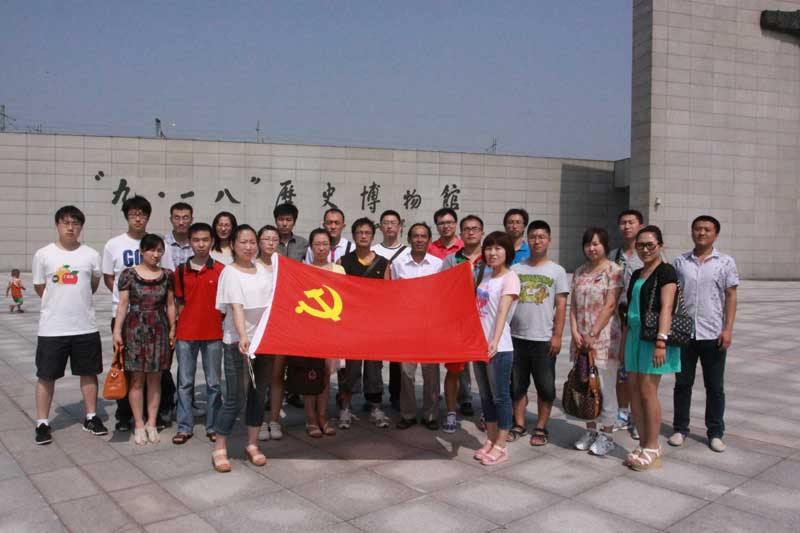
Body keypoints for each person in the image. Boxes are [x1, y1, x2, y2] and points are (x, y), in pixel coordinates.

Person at [32, 206, 106, 445]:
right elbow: (40, 287)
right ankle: (42, 422)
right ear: (57, 225)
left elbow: (93, 285)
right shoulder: (43, 255)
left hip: (85, 326)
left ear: (81, 227)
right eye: (66, 223)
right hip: (52, 328)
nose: (71, 228)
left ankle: (91, 417)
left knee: (89, 373)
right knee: (46, 375)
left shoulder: (91, 255)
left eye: (75, 223)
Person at [102, 195, 173, 432]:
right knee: (127, 370)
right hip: (127, 316)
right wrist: (125, 303)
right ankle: (126, 416)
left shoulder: (159, 246)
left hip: (157, 319)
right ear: (126, 216)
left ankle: (154, 417)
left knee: (156, 372)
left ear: (148, 217)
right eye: (133, 214)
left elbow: (168, 285)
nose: (138, 218)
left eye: (142, 214)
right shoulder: (114, 244)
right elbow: (109, 278)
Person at [669, 215, 738, 453]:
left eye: (707, 229)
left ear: (715, 234)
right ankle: (680, 428)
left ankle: (715, 432)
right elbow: (672, 295)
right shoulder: (680, 262)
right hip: (684, 334)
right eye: (697, 229)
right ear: (692, 232)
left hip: (713, 334)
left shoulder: (725, 262)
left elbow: (731, 296)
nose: (702, 233)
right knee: (682, 384)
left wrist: (727, 329)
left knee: (715, 387)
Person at [212, 225, 272, 472]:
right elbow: (236, 307)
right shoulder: (230, 273)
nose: (248, 247)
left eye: (252, 242)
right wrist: (243, 336)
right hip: (238, 343)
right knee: (234, 397)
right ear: (233, 245)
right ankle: (220, 447)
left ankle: (252, 444)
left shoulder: (263, 271)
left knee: (258, 394)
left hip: (263, 342)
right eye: (243, 242)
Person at [621, 225, 680, 471]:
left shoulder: (666, 271)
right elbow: (629, 309)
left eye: (650, 245)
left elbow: (667, 307)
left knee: (648, 391)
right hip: (634, 335)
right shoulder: (637, 273)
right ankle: (643, 443)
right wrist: (624, 343)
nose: (645, 249)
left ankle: (653, 446)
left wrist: (661, 341)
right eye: (640, 245)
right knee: (634, 390)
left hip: (653, 338)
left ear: (660, 245)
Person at [112, 234, 176, 445]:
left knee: (155, 378)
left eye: (159, 250)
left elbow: (170, 304)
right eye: (152, 250)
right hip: (135, 329)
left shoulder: (167, 275)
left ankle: (152, 422)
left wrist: (173, 328)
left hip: (159, 327)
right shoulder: (128, 274)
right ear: (141, 251)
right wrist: (117, 331)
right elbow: (123, 304)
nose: (156, 254)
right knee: (137, 379)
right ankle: (139, 423)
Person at [509, 220, 568, 446]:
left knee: (545, 387)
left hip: (543, 340)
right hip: (517, 338)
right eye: (533, 237)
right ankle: (519, 423)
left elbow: (561, 306)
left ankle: (541, 427)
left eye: (541, 237)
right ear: (528, 240)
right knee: (517, 386)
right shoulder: (516, 270)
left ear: (549, 240)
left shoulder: (557, 271)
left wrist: (557, 335)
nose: (537, 241)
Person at [570, 227, 623, 457]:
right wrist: (574, 331)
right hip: (581, 339)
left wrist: (593, 333)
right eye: (588, 244)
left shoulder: (614, 271)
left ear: (605, 245)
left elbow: (610, 305)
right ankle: (590, 430)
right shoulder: (579, 272)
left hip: (604, 339)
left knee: (604, 386)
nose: (592, 248)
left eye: (596, 243)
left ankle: (607, 434)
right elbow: (573, 305)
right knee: (584, 385)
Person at [172, 222, 224, 445]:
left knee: (213, 383)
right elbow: (178, 302)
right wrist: (175, 329)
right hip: (186, 333)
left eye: (205, 240)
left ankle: (214, 426)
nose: (201, 244)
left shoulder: (221, 270)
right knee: (185, 382)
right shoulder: (181, 271)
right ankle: (184, 426)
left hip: (213, 334)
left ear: (212, 241)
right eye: (196, 240)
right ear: (189, 242)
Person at [337, 217, 392, 429]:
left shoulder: (383, 263)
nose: (363, 236)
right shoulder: (343, 262)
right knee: (349, 369)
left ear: (372, 236)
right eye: (359, 232)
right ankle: (345, 408)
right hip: (350, 325)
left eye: (367, 233)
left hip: (374, 326)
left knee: (374, 368)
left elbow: (387, 295)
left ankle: (376, 407)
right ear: (353, 236)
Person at [472, 231, 520, 466]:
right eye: (489, 248)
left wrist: (494, 339)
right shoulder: (486, 276)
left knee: (500, 397)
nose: (492, 252)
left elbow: (502, 311)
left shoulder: (510, 278)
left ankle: (501, 444)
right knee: (486, 396)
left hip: (498, 347)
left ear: (507, 252)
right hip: (478, 346)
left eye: (498, 248)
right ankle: (490, 439)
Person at [392, 223, 443, 430]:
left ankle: (431, 415)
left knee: (431, 373)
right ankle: (408, 414)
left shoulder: (438, 264)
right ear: (409, 239)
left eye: (423, 236)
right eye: (415, 236)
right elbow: (392, 293)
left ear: (429, 240)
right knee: (406, 373)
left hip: (431, 327)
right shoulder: (398, 264)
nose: (419, 240)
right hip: (406, 326)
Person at [440, 215, 487, 431]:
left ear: (482, 232)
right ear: (461, 234)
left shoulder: (491, 258)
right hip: (458, 324)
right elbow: (442, 290)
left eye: (475, 228)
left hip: (485, 323)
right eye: (466, 229)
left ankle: (488, 412)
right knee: (454, 371)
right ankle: (451, 413)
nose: (471, 232)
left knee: (486, 373)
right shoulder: (451, 260)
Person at [303, 227, 346, 437]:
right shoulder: (302, 270)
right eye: (317, 244)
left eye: (325, 244)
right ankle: (310, 419)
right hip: (309, 331)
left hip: (331, 330)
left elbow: (346, 297)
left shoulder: (339, 270)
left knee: (326, 376)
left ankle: (322, 416)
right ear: (311, 247)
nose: (321, 248)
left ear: (331, 247)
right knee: (309, 375)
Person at [608, 209, 644, 438]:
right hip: (617, 320)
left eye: (631, 222)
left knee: (638, 371)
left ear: (640, 226)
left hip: (640, 322)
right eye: (623, 222)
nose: (627, 226)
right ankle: (622, 412)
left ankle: (638, 416)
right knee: (620, 368)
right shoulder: (614, 255)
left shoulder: (648, 253)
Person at [372, 209, 408, 411]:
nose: (389, 226)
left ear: (400, 226)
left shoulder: (408, 252)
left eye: (393, 222)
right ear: (380, 227)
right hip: (377, 311)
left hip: (400, 312)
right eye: (385, 222)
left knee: (397, 357)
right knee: (375, 356)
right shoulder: (373, 251)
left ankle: (397, 395)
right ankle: (374, 395)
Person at [254, 225, 286, 441]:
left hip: (279, 327)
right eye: (266, 239)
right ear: (259, 241)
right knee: (258, 379)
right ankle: (257, 421)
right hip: (256, 328)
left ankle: (274, 419)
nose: (271, 243)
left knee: (277, 375)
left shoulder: (284, 266)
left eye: (274, 239)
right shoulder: (251, 265)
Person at [164, 202, 194, 270]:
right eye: (177, 218)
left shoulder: (198, 244)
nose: (181, 222)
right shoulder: (163, 243)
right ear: (171, 220)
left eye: (185, 218)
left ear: (191, 220)